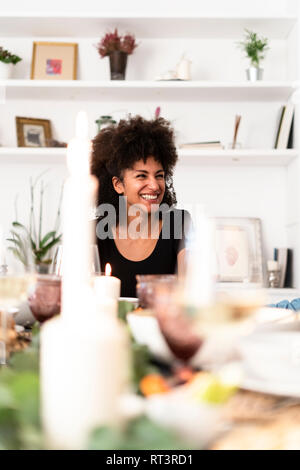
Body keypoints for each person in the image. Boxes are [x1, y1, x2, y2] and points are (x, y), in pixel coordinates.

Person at [91, 115, 191, 298]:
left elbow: (192, 291)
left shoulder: (179, 223)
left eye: (159, 175)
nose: (154, 185)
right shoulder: (94, 231)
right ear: (118, 184)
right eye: (142, 176)